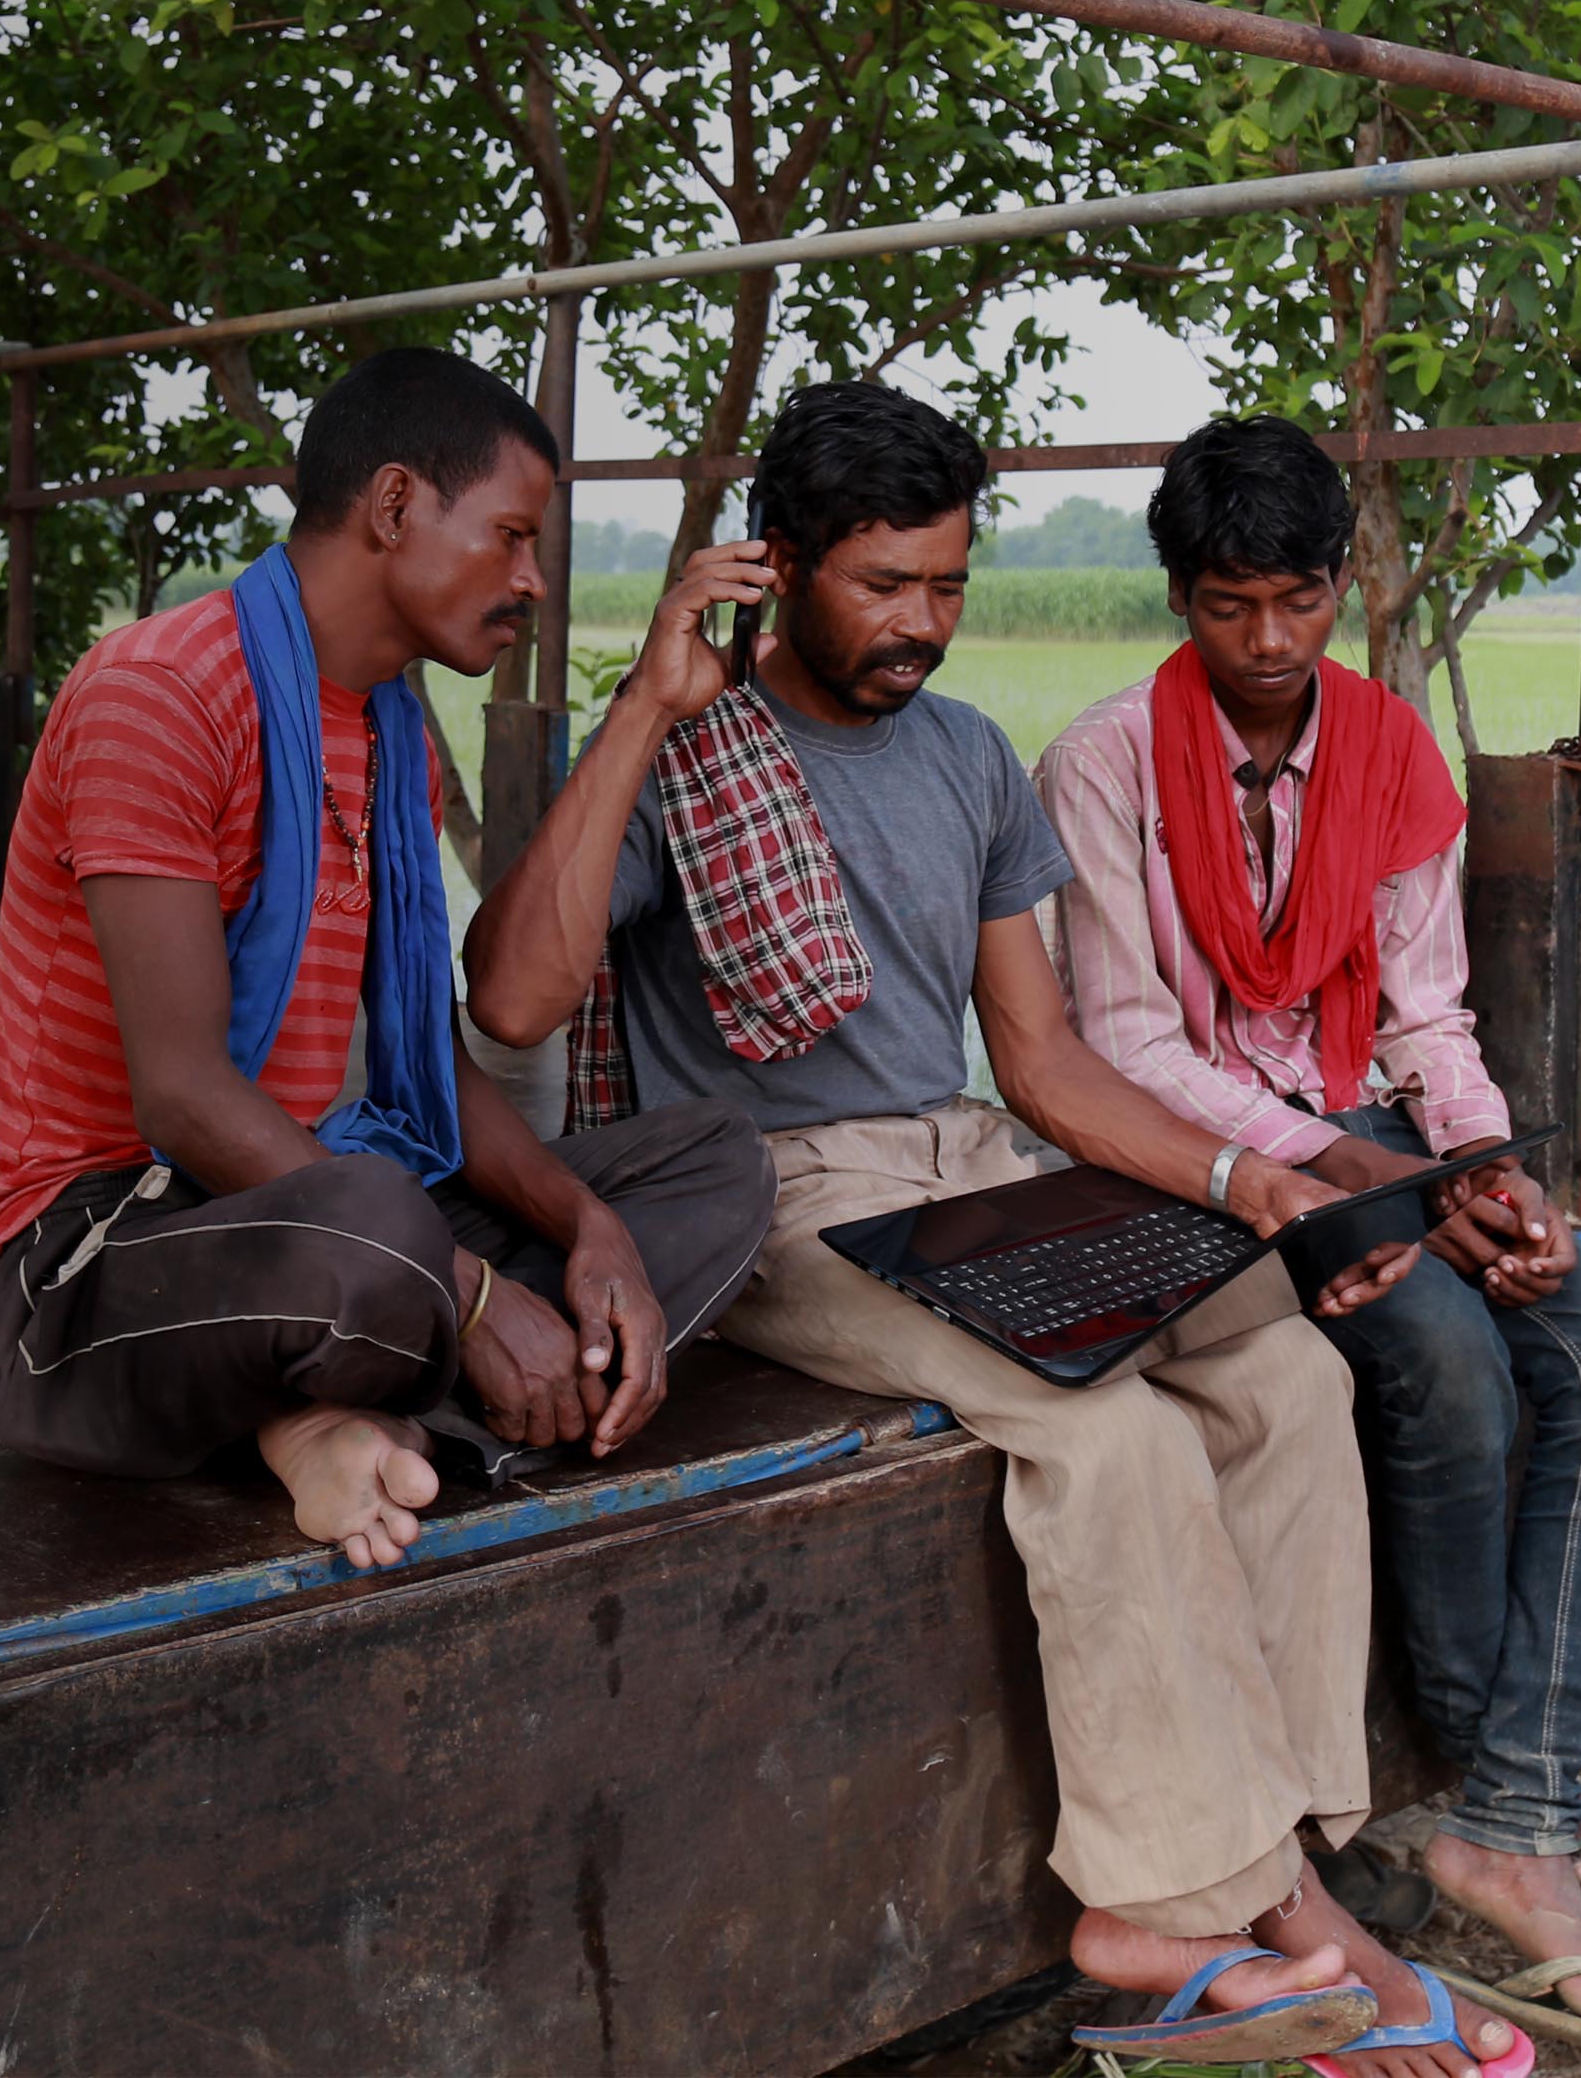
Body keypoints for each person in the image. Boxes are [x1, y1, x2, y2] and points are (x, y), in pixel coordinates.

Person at [464, 384, 1513, 2078]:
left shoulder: (963, 758)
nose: (922, 627)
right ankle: (1189, 1908)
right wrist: (643, 716)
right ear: (782, 568)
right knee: (1102, 1440)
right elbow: (509, 993)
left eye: (947, 586)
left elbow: (1038, 1063)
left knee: (1285, 1374)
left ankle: (1288, 1855)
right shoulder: (689, 751)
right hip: (784, 1194)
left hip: (963, 1166)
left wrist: (1259, 1197)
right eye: (884, 585)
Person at [1030, 413, 1581, 2047]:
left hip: (1367, 1127)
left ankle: (1515, 1813)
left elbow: (1425, 1017)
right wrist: (1362, 1180)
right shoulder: (1102, 764)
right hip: (1197, 1164)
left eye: (1300, 604)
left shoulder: (1389, 751)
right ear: (1180, 599)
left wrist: (1478, 1165)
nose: (1269, 645)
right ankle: (1486, 1769)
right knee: (1446, 1355)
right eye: (1230, 608)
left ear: (1342, 589)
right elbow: (1127, 1043)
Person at [0, 346, 775, 1570]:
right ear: (394, 507)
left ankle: (349, 1421)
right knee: (379, 1230)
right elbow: (181, 1098)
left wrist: (590, 1223)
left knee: (718, 1165)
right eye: (509, 536)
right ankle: (359, 1411)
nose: (532, 582)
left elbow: (435, 1073)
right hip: (107, 1256)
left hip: (321, 1219)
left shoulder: (392, 725)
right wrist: (479, 1293)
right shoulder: (161, 694)